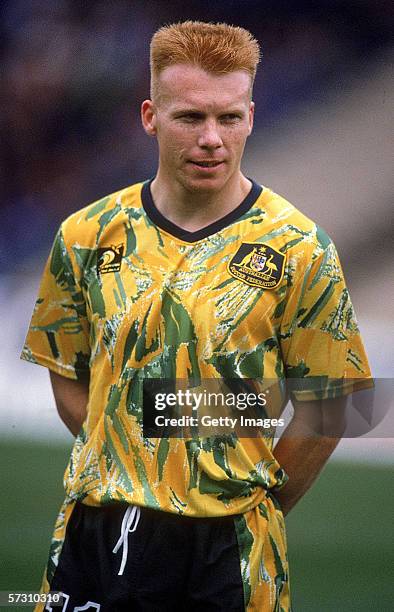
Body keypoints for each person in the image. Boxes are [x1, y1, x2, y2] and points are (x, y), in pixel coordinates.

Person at [21, 20, 372, 612]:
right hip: (96, 534)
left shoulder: (300, 247)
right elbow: (66, 367)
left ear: (251, 118)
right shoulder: (84, 235)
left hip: (230, 549)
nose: (212, 137)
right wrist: (132, 456)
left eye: (229, 118)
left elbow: (339, 401)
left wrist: (247, 499)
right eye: (190, 117)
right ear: (150, 116)